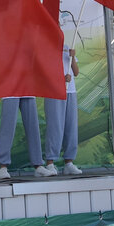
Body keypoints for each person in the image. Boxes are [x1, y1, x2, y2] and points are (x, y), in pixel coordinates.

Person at [43, 46, 83, 176]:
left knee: (71, 127)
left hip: (70, 92)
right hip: (53, 92)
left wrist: (73, 58)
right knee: (55, 127)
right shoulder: (46, 48)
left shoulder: (67, 48)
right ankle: (50, 163)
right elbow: (42, 73)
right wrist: (60, 79)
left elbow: (76, 72)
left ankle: (69, 163)